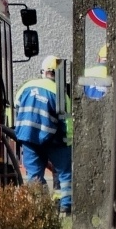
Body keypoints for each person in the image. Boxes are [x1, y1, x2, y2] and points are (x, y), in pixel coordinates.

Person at [14, 55, 73, 214]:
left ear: (43, 71)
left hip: (28, 137)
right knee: (65, 173)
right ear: (59, 74)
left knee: (34, 175)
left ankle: (38, 208)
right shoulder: (60, 93)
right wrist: (68, 143)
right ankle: (66, 207)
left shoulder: (26, 86)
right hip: (53, 139)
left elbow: (16, 109)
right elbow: (66, 122)